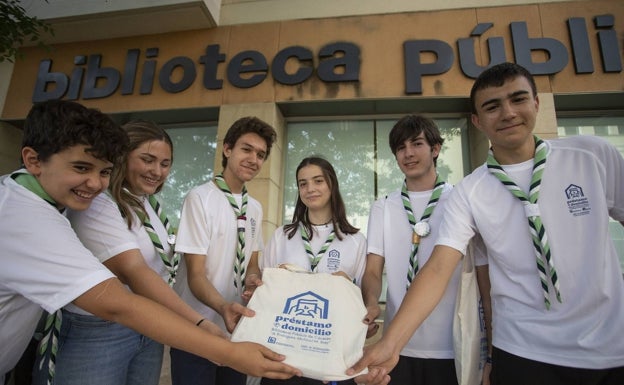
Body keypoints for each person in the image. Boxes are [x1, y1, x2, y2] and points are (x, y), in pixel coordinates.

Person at [349, 62, 624, 385]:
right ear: (477, 121)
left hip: (609, 347)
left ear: (536, 103)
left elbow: (481, 277)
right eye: (493, 106)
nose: (507, 113)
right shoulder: (470, 192)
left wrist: (484, 352)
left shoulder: (592, 155)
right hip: (521, 350)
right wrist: (390, 344)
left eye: (518, 99)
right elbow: (438, 269)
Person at [0, 100, 301, 384]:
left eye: (103, 171)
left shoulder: (146, 205)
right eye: (82, 168)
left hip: (152, 328)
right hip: (105, 330)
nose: (94, 182)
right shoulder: (81, 206)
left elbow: (244, 260)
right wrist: (207, 331)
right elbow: (131, 281)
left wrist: (252, 282)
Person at [33, 121, 225, 385]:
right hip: (100, 332)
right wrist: (198, 323)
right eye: (147, 160)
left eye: (165, 163)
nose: (157, 171)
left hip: (149, 328)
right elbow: (134, 271)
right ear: (123, 156)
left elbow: (163, 265)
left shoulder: (150, 206)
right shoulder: (98, 203)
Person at [361, 114, 488, 385]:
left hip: (452, 345)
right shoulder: (383, 206)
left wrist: (490, 346)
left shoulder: (461, 199)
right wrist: (371, 302)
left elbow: (482, 275)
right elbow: (373, 269)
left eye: (417, 144)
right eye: (400, 148)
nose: (408, 153)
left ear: (435, 149)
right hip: (397, 346)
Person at [171, 116, 277, 385]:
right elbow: (196, 275)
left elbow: (251, 262)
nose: (254, 159)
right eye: (246, 149)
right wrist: (222, 307)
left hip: (237, 331)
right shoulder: (200, 198)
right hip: (196, 328)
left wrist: (254, 281)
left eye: (261, 154)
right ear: (227, 149)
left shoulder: (254, 207)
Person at [245, 155, 367, 385]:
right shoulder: (282, 236)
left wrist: (346, 285)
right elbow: (265, 293)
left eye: (318, 181)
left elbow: (357, 303)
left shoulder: (356, 241)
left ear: (332, 184)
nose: (310, 188)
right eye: (303, 183)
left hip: (331, 361)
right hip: (283, 358)